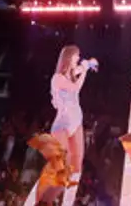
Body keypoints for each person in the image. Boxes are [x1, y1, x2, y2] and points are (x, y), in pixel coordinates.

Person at [50, 46, 97, 206]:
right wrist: (84, 69)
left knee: (77, 164)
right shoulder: (57, 78)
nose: (78, 58)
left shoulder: (71, 74)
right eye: (76, 56)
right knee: (61, 164)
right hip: (62, 124)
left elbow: (82, 67)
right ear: (68, 57)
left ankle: (67, 203)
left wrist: (89, 64)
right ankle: (41, 199)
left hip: (76, 120)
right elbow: (76, 88)